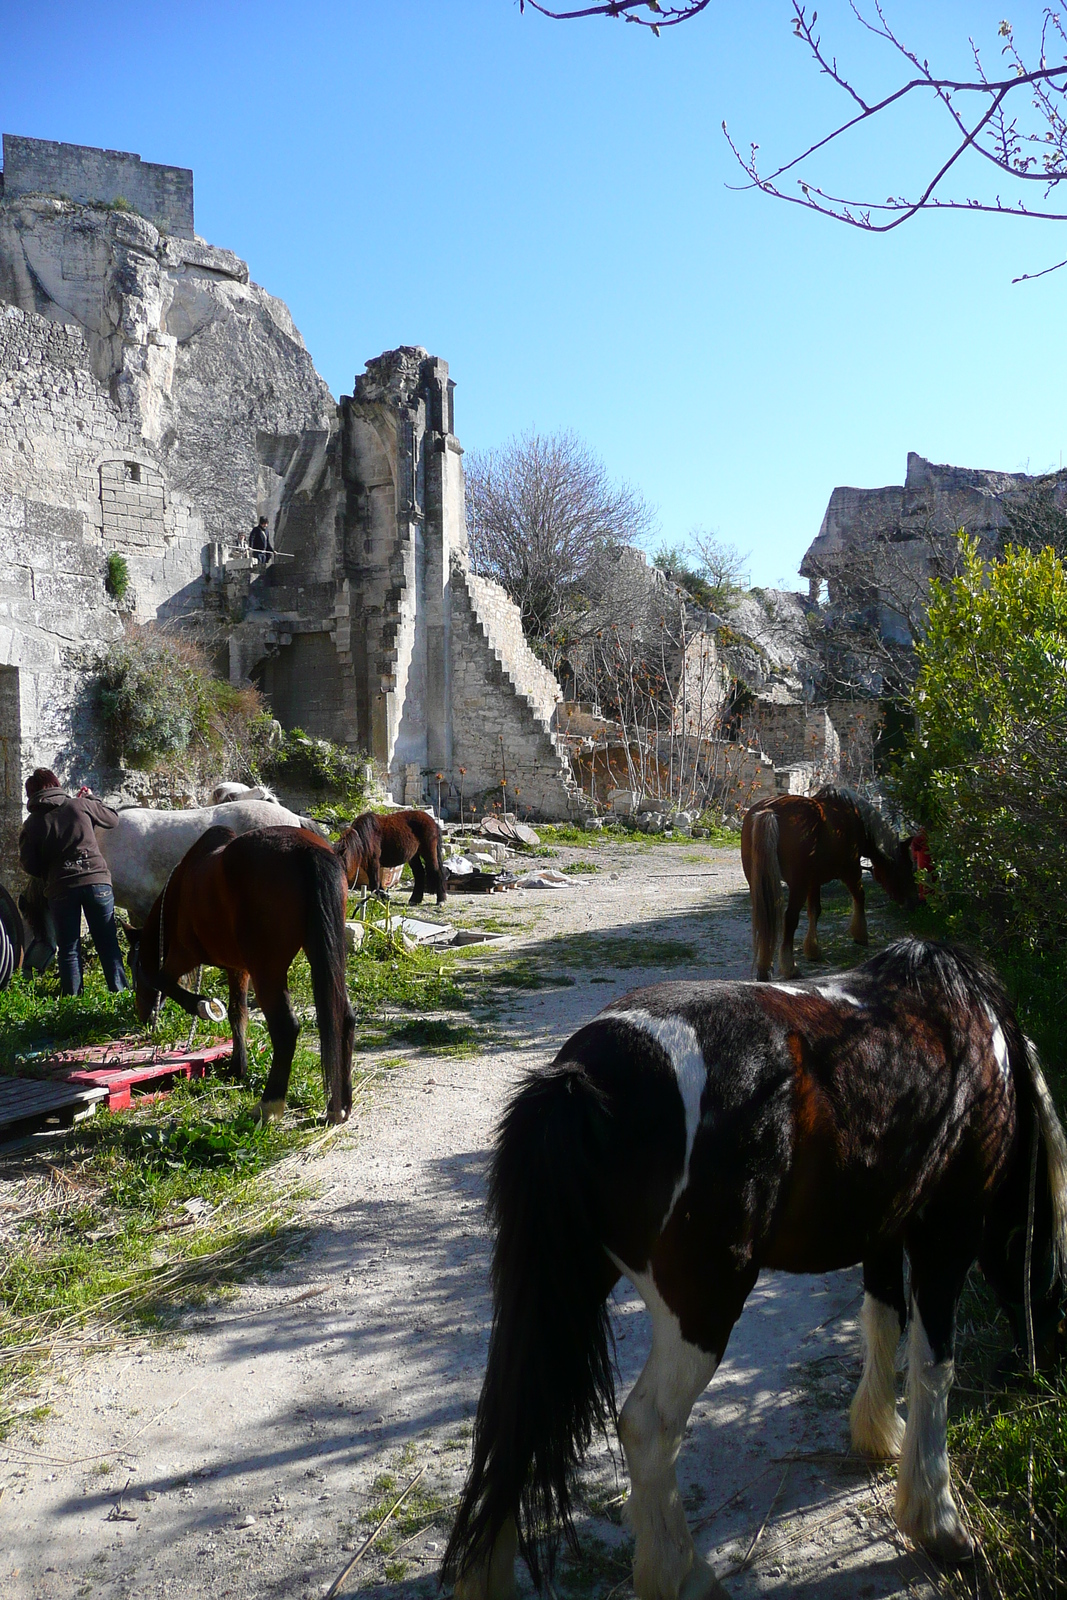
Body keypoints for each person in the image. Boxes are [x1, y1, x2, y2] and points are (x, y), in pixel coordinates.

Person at [18, 769, 127, 996]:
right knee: (107, 942)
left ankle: (74, 1002)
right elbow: (112, 818)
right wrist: (91, 799)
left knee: (68, 949)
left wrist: (49, 873)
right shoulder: (79, 805)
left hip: (61, 889)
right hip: (96, 881)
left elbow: (28, 864)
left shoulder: (32, 824)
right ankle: (120, 995)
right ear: (56, 784)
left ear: (32, 794)